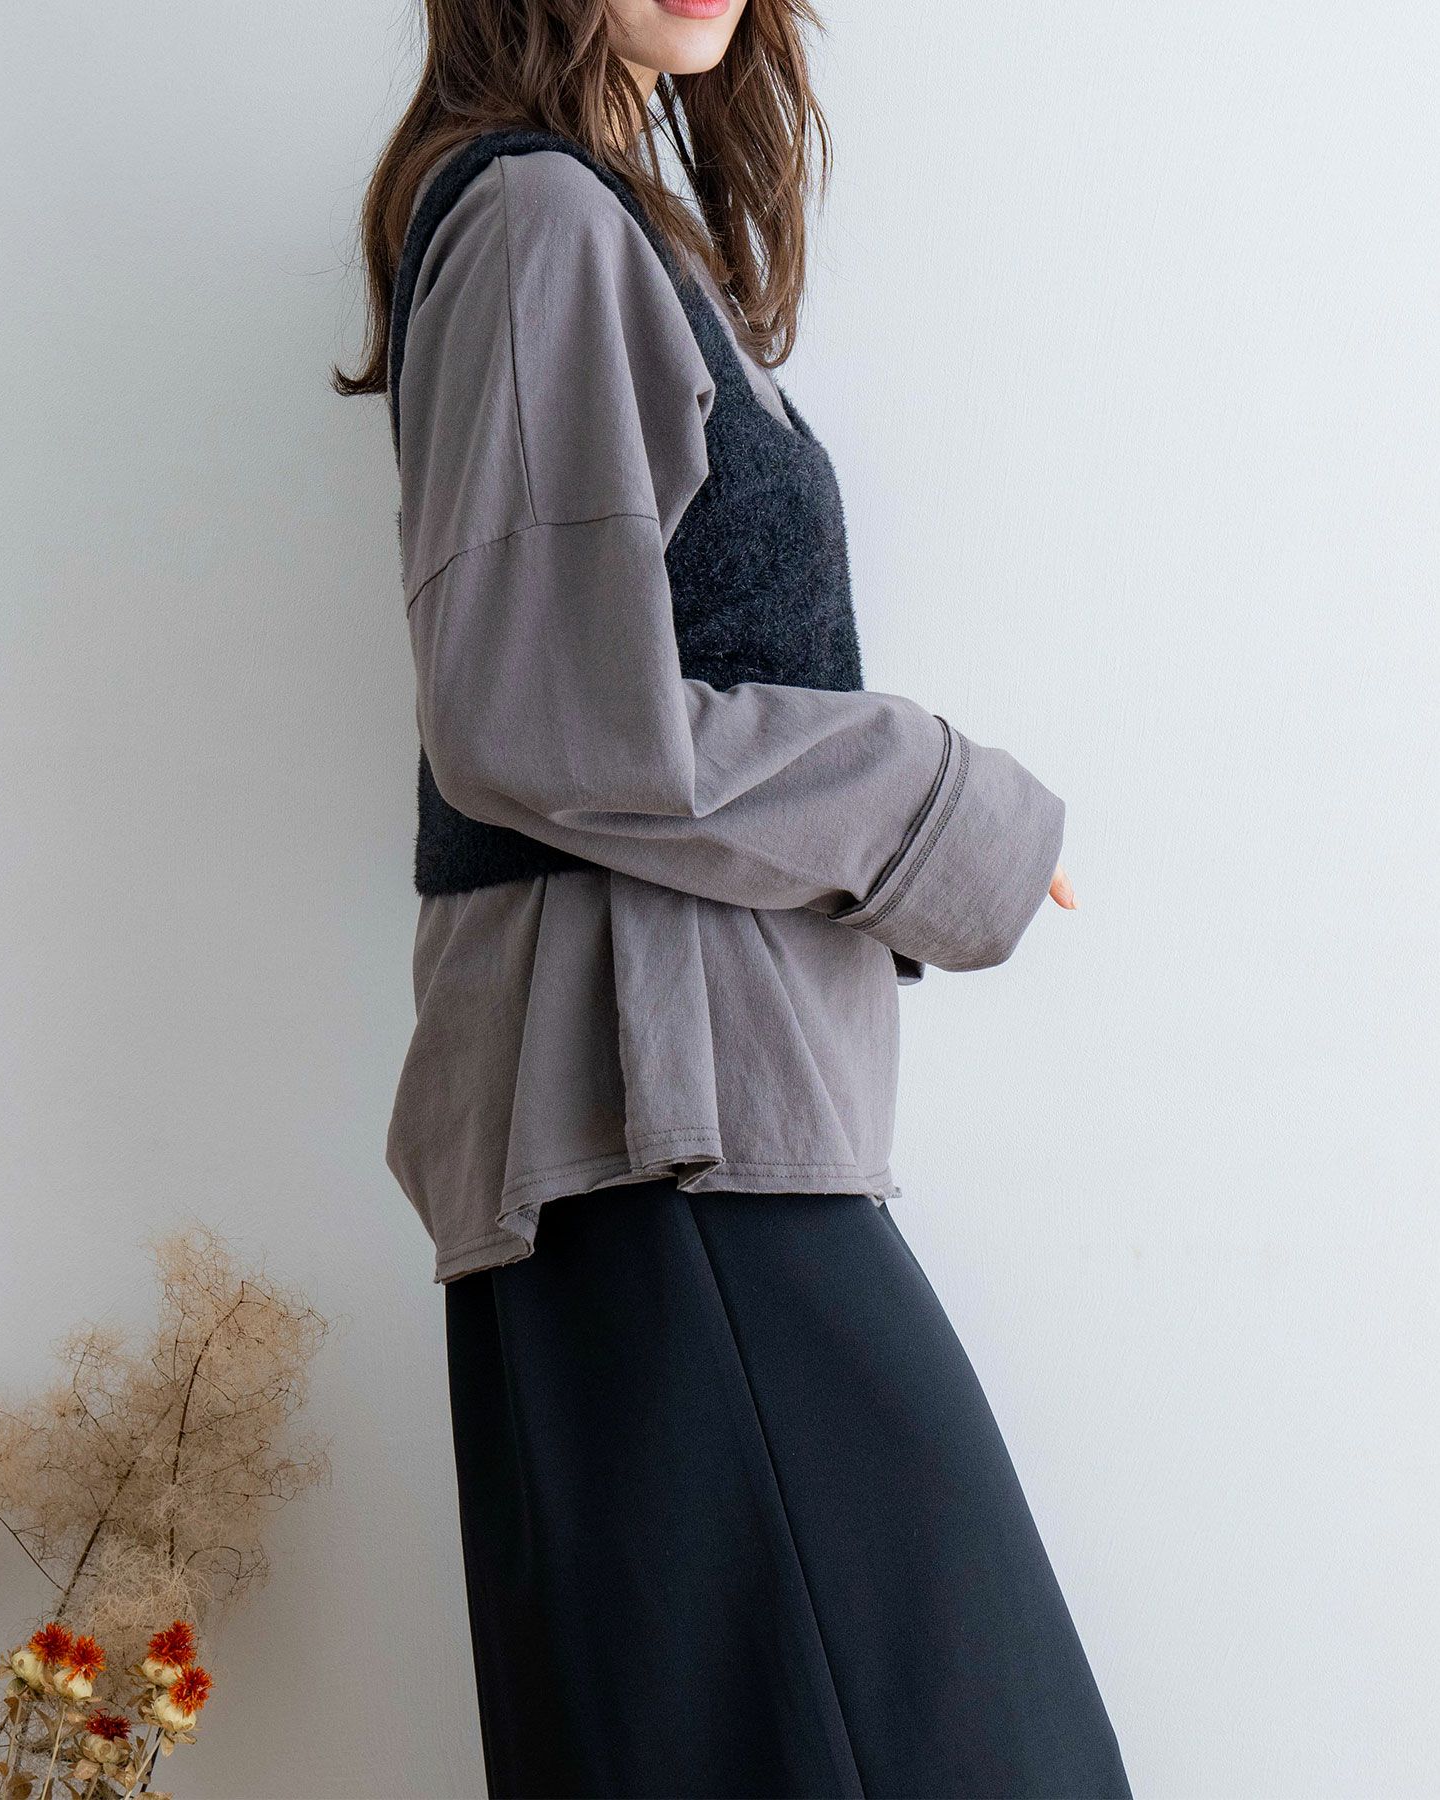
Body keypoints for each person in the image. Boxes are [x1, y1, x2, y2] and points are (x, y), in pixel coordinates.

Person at [336, 2, 1132, 1794]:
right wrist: (936, 798)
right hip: (658, 1137)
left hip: (694, 1133)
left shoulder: (612, 222)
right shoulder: (538, 219)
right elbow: (531, 716)